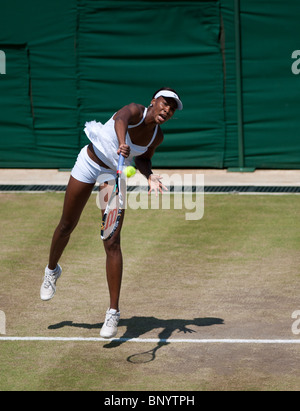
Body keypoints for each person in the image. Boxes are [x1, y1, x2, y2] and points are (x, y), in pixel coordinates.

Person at [40, 87, 183, 338]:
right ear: (153, 101)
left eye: (172, 108)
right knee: (67, 224)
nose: (167, 109)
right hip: (90, 162)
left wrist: (149, 176)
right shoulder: (136, 110)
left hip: (112, 176)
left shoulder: (156, 137)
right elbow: (120, 119)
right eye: (165, 103)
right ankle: (52, 270)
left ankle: (113, 312)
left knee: (112, 241)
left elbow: (144, 159)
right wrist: (121, 144)